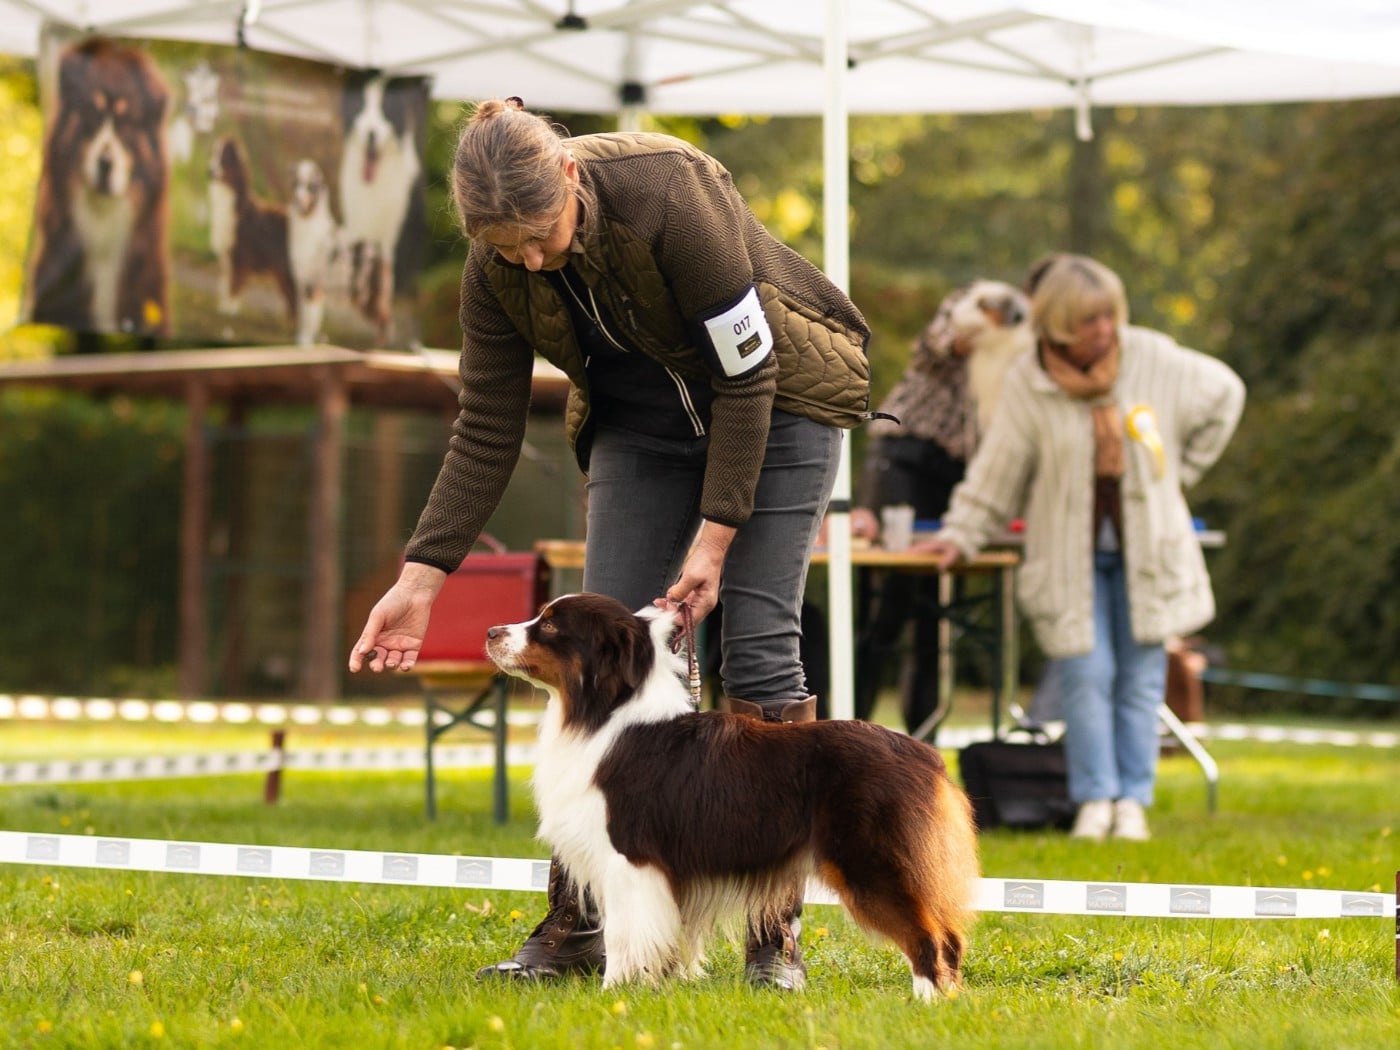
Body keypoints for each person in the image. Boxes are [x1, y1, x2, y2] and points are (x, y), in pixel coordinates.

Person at [347, 98, 871, 988]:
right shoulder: (495, 267)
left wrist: (713, 543)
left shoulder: (672, 191)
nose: (531, 258)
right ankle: (580, 926)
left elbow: (748, 377)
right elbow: (484, 428)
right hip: (642, 427)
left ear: (569, 177)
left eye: (540, 237)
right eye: (507, 247)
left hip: (778, 410)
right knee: (600, 639)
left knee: (758, 645)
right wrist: (422, 575)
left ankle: (769, 934)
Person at [913, 253, 1244, 841]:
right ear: (1060, 325)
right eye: (1089, 321)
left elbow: (1226, 393)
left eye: (1109, 317)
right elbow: (998, 469)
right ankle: (1094, 801)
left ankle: (1132, 803)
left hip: (1149, 553)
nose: (1104, 331)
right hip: (1069, 559)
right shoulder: (1029, 381)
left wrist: (1179, 472)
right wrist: (960, 533)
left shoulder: (1151, 355)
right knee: (1086, 678)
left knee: (1141, 679)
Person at [848, 280, 1030, 732]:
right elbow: (942, 345)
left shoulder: (1023, 344)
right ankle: (850, 734)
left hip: (954, 472)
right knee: (887, 612)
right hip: (904, 459)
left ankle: (923, 746)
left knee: (932, 623)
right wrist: (987, 323)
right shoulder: (965, 305)